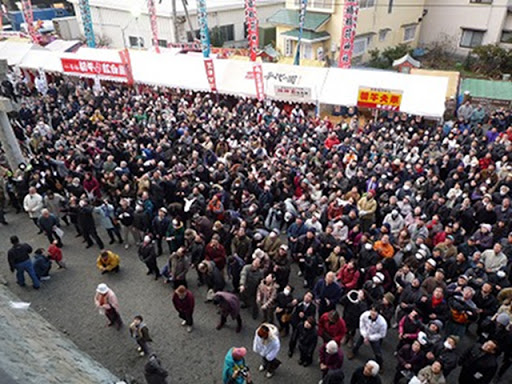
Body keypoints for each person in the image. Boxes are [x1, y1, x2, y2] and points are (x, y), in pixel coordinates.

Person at [289, 291, 317, 357]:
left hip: (304, 325)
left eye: (309, 297)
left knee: (303, 339)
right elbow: (290, 305)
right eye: (306, 295)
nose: (307, 297)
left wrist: (304, 316)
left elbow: (312, 318)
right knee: (293, 337)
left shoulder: (313, 307)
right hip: (296, 322)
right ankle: (291, 349)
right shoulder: (299, 302)